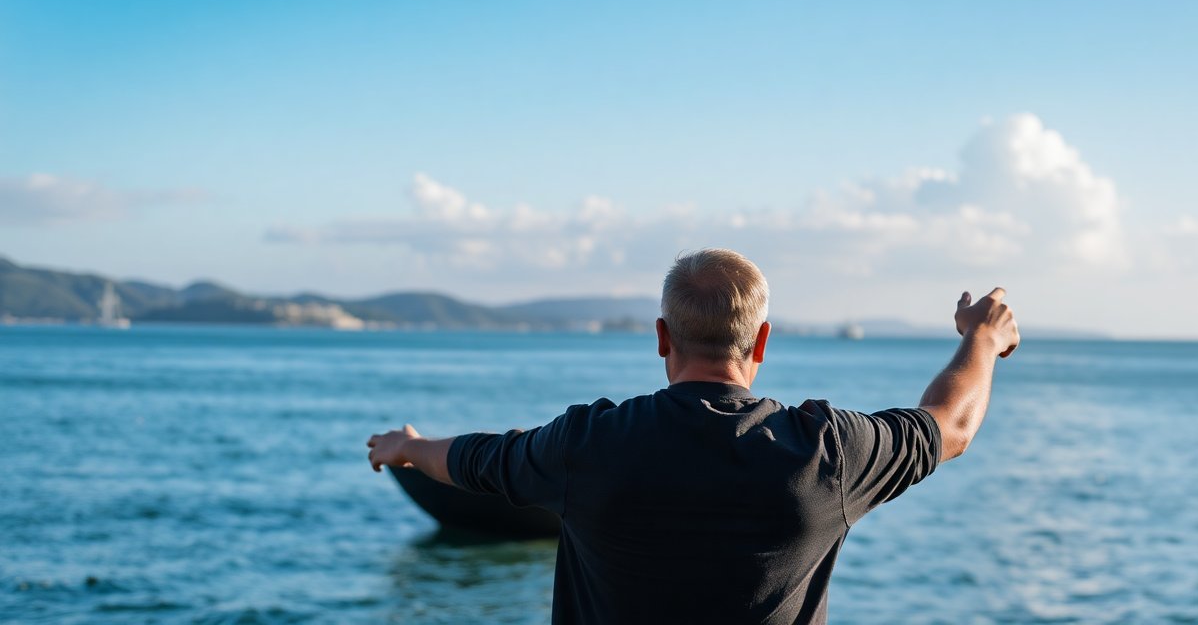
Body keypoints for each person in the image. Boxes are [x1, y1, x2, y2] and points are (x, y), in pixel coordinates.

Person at [368, 248, 1019, 624]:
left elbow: (477, 458)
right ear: (762, 341)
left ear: (661, 337)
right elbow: (951, 425)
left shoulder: (587, 444)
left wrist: (408, 448)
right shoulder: (827, 452)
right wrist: (983, 338)